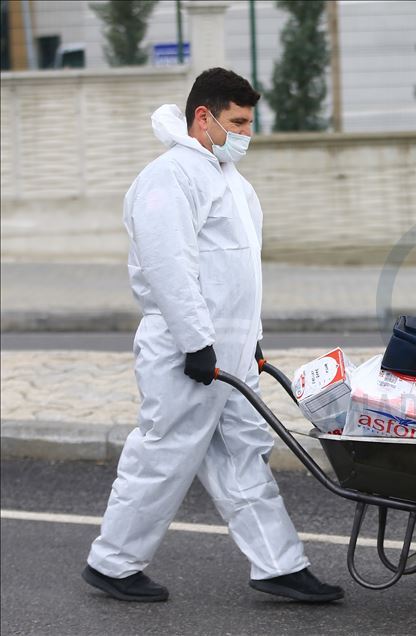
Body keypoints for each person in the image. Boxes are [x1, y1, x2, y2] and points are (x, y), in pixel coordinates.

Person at [83, 68, 343, 604]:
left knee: (243, 454)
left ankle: (278, 565)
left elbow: (240, 274)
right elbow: (168, 267)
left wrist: (253, 340)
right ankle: (111, 563)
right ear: (204, 117)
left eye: (250, 122)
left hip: (230, 355)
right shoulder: (169, 176)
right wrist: (196, 342)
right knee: (163, 454)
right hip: (187, 354)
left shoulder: (230, 181)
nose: (248, 133)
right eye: (238, 122)